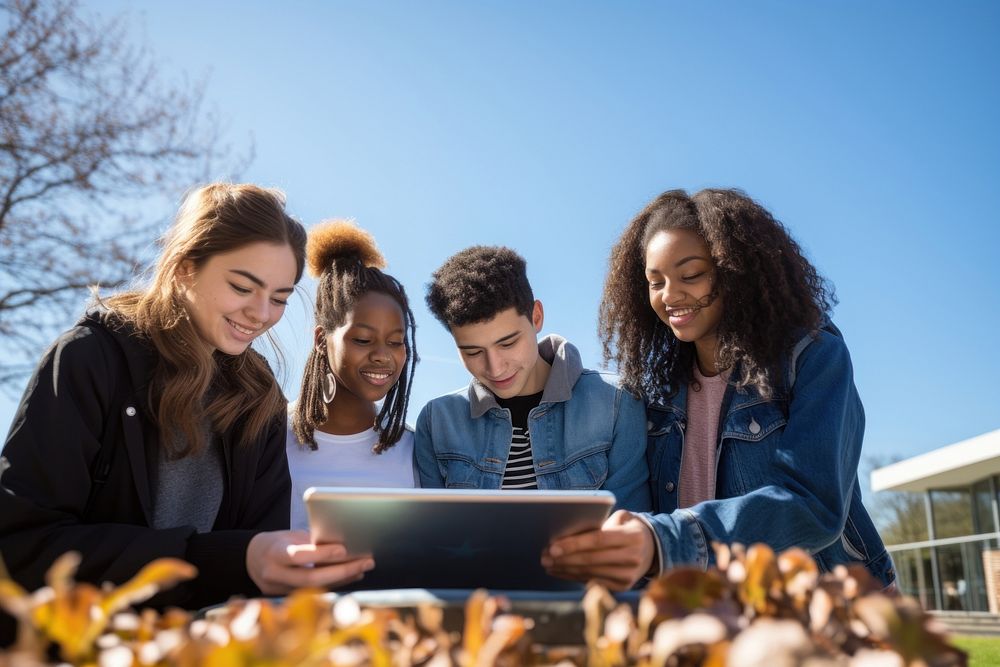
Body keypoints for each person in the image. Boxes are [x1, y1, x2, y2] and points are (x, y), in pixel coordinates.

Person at [0, 184, 373, 622]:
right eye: (241, 286)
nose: (261, 314)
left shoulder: (260, 399)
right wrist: (220, 558)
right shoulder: (90, 359)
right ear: (184, 269)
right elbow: (21, 547)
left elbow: (257, 557)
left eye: (279, 298)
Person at [542, 188, 895, 591]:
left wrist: (665, 541)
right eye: (655, 282)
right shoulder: (656, 390)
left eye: (691, 275)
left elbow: (813, 506)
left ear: (736, 272)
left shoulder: (812, 356)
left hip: (824, 604)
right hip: (709, 608)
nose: (671, 295)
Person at [414, 245, 650, 511]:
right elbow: (437, 541)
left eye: (508, 343)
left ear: (536, 317)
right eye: (473, 351)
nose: (495, 368)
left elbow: (633, 530)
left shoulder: (616, 403)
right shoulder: (437, 423)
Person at [287, 220, 418, 531]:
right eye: (362, 339)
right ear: (321, 340)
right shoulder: (268, 439)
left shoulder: (414, 448)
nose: (383, 355)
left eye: (396, 342)